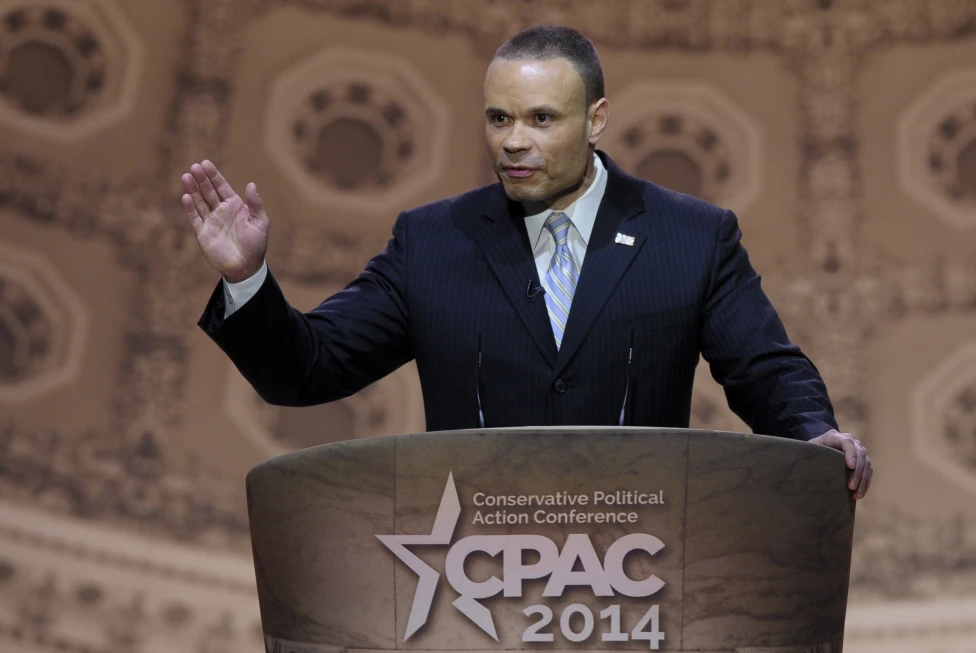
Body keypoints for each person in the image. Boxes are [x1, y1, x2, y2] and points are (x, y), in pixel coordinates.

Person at [180, 25, 872, 499]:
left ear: (596, 120)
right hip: (473, 571)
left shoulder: (693, 236)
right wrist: (247, 278)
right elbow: (308, 367)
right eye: (498, 118)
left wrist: (814, 434)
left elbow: (764, 369)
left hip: (639, 567)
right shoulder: (433, 242)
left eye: (541, 119)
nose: (514, 141)